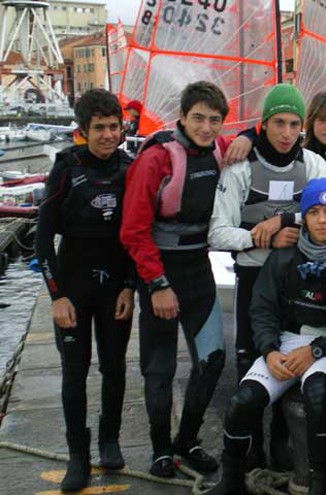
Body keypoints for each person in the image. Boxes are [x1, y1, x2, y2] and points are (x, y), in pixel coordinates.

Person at [209, 83, 326, 469]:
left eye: (294, 125)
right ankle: (249, 456)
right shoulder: (239, 169)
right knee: (251, 365)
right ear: (264, 125)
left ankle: (284, 446)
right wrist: (256, 235)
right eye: (279, 123)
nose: (287, 133)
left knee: (290, 367)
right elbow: (216, 232)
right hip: (254, 276)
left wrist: (285, 220)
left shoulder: (313, 165)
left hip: (299, 280)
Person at [209, 178, 326, 495]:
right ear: (304, 217)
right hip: (287, 341)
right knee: (243, 401)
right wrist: (269, 350)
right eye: (314, 212)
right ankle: (232, 480)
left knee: (319, 395)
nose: (322, 220)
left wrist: (318, 351)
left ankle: (318, 482)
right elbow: (262, 308)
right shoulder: (284, 257)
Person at [120, 81, 229, 478]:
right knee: (160, 367)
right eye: (198, 118)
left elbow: (254, 138)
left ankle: (187, 440)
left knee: (213, 360)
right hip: (160, 271)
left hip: (197, 268)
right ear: (182, 117)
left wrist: (247, 141)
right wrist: (156, 285)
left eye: (214, 120)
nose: (206, 127)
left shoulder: (220, 149)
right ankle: (160, 448)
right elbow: (133, 230)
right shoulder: (156, 159)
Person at [36, 88, 135, 492]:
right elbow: (43, 237)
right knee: (74, 374)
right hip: (73, 288)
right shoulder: (66, 168)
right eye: (100, 129)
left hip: (115, 287)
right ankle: (79, 455)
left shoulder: (130, 169)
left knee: (115, 367)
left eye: (114, 127)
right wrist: (56, 295)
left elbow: (135, 235)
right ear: (83, 131)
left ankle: (109, 440)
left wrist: (130, 286)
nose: (109, 135)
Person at [225, 90, 326, 246]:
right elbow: (274, 127)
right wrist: (247, 136)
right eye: (323, 121)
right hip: (304, 248)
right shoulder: (300, 158)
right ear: (311, 122)